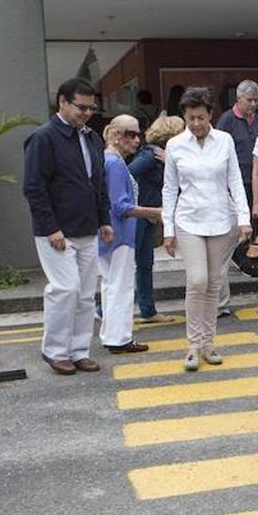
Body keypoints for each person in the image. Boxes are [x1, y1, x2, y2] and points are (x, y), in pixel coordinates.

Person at [22, 77, 113, 376]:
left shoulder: (92, 138)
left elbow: (98, 183)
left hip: (87, 228)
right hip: (57, 232)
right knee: (65, 289)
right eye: (81, 107)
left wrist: (104, 219)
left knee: (85, 294)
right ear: (62, 102)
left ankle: (78, 351)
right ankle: (55, 351)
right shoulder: (43, 138)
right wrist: (51, 228)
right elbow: (34, 188)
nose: (86, 113)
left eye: (91, 108)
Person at [161, 86, 251, 372]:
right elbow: (169, 189)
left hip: (221, 219)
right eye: (191, 118)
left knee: (214, 282)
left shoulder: (224, 140)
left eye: (201, 117)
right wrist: (168, 229)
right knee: (197, 279)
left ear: (210, 114)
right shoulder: (175, 145)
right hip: (188, 219)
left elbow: (235, 181)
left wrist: (244, 218)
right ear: (184, 117)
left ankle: (208, 343)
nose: (196, 123)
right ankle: (192, 344)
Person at [98, 115, 155, 354]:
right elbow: (120, 206)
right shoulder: (114, 163)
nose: (137, 140)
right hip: (119, 233)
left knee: (111, 285)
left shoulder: (109, 160)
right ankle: (118, 338)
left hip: (112, 233)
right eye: (130, 134)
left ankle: (113, 335)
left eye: (138, 134)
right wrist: (155, 212)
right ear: (115, 135)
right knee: (119, 287)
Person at [128, 114, 186, 323]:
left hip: (149, 215)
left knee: (145, 263)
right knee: (130, 264)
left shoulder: (166, 155)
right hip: (139, 214)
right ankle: (103, 309)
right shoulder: (151, 155)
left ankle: (148, 310)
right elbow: (127, 173)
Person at [215, 80, 258, 316]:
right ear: (239, 99)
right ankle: (235, 255)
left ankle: (242, 257)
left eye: (255, 101)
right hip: (234, 180)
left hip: (252, 178)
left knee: (253, 223)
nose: (253, 104)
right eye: (249, 100)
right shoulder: (227, 120)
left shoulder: (254, 120)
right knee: (237, 225)